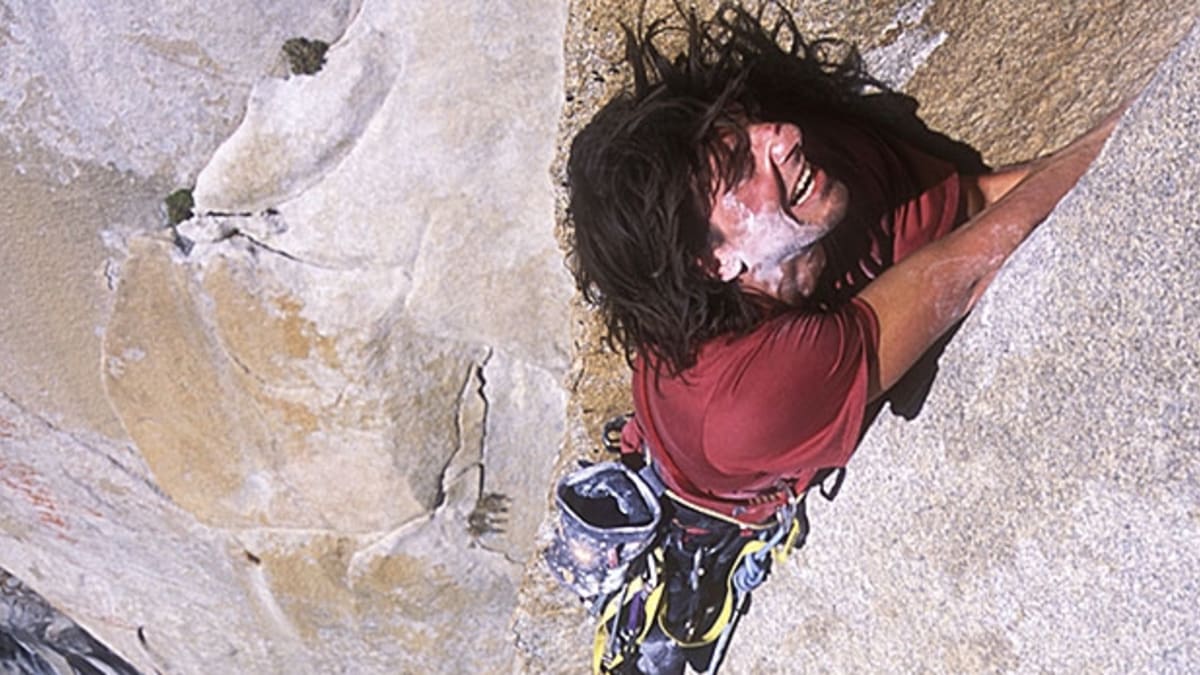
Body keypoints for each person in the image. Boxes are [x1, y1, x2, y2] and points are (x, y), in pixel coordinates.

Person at [562, 3, 1121, 671]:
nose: (783, 134)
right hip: (722, 453)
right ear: (714, 264)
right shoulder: (753, 396)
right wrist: (1153, 109)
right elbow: (974, 261)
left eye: (746, 127)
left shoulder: (808, 181)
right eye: (741, 164)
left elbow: (970, 202)